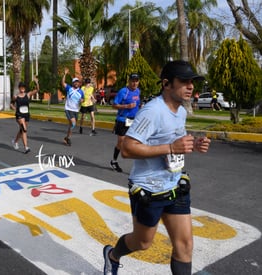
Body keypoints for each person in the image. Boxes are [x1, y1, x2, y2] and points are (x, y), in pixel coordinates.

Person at [102, 60, 211, 275]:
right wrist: (170, 147)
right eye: (184, 81)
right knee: (142, 243)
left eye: (192, 82)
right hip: (149, 190)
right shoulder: (152, 111)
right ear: (167, 84)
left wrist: (192, 144)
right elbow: (127, 148)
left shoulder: (180, 111)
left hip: (175, 185)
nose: (190, 86)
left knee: (185, 246)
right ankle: (112, 255)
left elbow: (174, 141)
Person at [110, 73, 141, 172]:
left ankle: (139, 166)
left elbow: (137, 105)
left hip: (133, 120)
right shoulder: (123, 91)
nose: (134, 83)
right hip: (122, 119)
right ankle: (114, 161)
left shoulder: (138, 91)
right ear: (129, 81)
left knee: (136, 142)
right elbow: (114, 105)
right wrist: (126, 106)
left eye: (136, 81)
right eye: (133, 81)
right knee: (121, 142)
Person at [10, 77, 39, 154]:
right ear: (19, 88)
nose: (22, 89)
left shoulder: (28, 94)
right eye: (21, 87)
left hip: (26, 115)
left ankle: (15, 141)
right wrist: (14, 108)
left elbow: (37, 90)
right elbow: (11, 104)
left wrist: (36, 83)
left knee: (22, 130)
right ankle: (26, 147)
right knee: (24, 130)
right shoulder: (16, 96)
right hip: (19, 115)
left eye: (23, 87)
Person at [61, 67, 84, 146]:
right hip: (68, 109)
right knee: (73, 124)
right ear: (73, 83)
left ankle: (67, 138)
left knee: (72, 125)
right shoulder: (69, 88)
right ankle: (68, 138)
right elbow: (63, 83)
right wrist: (64, 74)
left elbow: (82, 99)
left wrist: (82, 101)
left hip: (76, 110)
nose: (77, 83)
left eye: (78, 82)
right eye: (75, 82)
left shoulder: (81, 91)